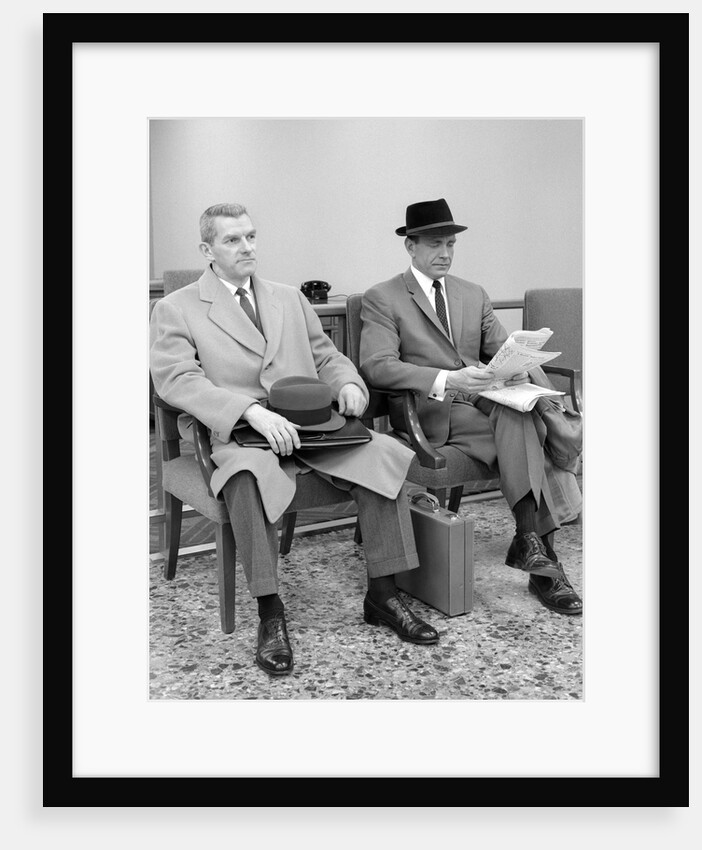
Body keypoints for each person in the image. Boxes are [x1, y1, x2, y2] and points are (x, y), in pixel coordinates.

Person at [150, 203, 439, 677]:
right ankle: (270, 611)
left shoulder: (289, 298)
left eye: (251, 236)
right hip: (238, 432)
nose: (247, 247)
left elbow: (327, 356)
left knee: (384, 453)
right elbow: (176, 381)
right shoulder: (175, 307)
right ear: (207, 250)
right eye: (232, 240)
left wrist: (348, 383)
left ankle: (384, 595)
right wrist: (249, 411)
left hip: (312, 427)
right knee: (244, 477)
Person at [359, 198, 583, 615]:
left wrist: (517, 368)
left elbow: (500, 346)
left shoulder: (471, 293)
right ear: (410, 246)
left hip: (484, 397)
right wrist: (448, 379)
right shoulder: (383, 297)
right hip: (433, 407)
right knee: (531, 431)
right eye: (434, 245)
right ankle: (542, 564)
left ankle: (530, 545)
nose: (445, 253)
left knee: (522, 412)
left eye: (450, 244)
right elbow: (377, 366)